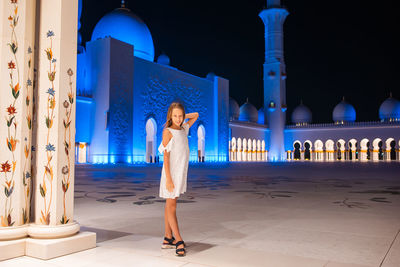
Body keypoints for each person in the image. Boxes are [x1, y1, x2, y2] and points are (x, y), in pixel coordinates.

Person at [158, 102, 199, 257]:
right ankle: (179, 240)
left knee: (170, 204)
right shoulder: (168, 132)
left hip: (180, 173)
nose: (178, 118)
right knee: (171, 206)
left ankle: (168, 238)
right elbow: (166, 158)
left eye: (180, 115)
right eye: (174, 116)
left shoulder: (184, 129)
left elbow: (196, 115)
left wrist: (183, 116)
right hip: (171, 174)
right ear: (170, 116)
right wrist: (169, 179)